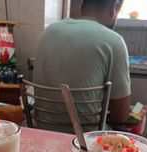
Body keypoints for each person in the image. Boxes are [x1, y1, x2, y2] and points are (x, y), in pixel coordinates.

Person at [33, 0, 131, 132]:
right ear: (115, 7)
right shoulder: (114, 41)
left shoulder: (49, 31)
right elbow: (121, 116)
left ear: (82, 7)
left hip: (42, 131)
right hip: (86, 141)